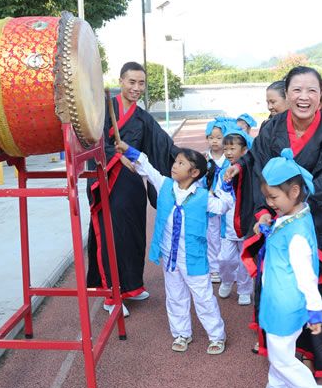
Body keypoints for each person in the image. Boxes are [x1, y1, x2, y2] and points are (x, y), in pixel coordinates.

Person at [225, 66, 322, 379]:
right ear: (288, 93)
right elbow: (259, 166)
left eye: (311, 90)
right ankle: (280, 343)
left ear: (321, 96)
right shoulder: (272, 127)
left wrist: (293, 208)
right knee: (278, 285)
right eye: (297, 90)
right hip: (277, 217)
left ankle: (312, 353)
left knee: (317, 286)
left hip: (316, 220)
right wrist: (262, 205)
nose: (304, 97)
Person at [115, 140, 231, 354]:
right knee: (175, 296)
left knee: (204, 298)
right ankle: (181, 333)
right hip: (170, 256)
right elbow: (146, 167)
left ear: (194, 172)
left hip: (194, 258)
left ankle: (216, 336)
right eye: (176, 162)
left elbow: (223, 206)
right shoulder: (165, 185)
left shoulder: (203, 197)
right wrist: (128, 150)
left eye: (181, 163)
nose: (174, 166)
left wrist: (224, 187)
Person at [257, 149, 322, 388]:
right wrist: (266, 225)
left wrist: (315, 311)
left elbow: (307, 276)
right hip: (280, 299)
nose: (269, 203)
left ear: (294, 192)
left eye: (273, 197)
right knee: (281, 349)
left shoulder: (297, 235)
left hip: (286, 304)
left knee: (282, 357)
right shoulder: (295, 216)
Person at [87, 62, 180, 317]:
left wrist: (189, 161)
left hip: (133, 186)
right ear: (121, 81)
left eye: (141, 83)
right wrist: (116, 156)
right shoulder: (104, 109)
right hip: (109, 182)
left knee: (134, 236)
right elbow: (92, 141)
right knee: (113, 237)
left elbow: (163, 146)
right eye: (131, 82)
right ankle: (112, 295)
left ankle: (132, 286)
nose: (136, 88)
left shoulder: (142, 118)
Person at [217, 127, 254, 306]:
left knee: (245, 260)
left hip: (245, 225)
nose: (228, 152)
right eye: (226, 149)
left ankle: (244, 290)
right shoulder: (223, 172)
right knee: (224, 259)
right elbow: (217, 194)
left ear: (244, 150)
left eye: (233, 148)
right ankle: (226, 280)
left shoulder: (251, 172)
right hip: (228, 227)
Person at [205, 118, 231, 283]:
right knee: (211, 235)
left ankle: (228, 268)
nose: (214, 141)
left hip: (227, 203)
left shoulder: (229, 161)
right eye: (211, 137)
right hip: (210, 203)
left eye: (219, 137)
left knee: (227, 234)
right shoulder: (204, 159)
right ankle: (214, 268)